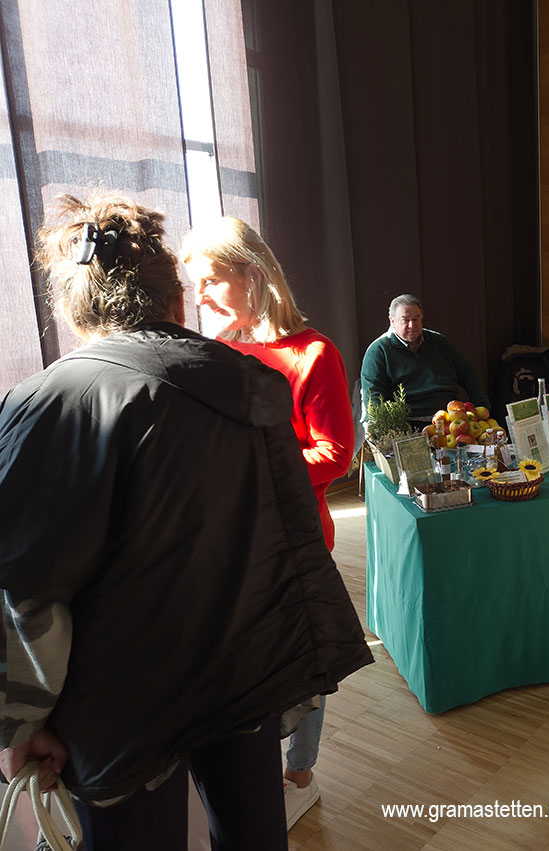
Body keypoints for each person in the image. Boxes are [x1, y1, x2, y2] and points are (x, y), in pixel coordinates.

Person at [0, 192, 372, 848]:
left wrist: (21, 722)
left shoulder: (47, 404)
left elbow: (25, 587)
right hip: (246, 669)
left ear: (73, 309)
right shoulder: (249, 385)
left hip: (123, 706)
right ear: (175, 300)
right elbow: (288, 538)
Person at [181, 216, 355, 829]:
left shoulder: (313, 353)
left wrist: (251, 471)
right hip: (230, 540)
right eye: (195, 285)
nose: (200, 297)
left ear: (252, 275)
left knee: (305, 661)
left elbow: (336, 453)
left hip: (294, 537)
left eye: (210, 281)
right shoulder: (215, 353)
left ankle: (300, 772)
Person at [361, 294, 490, 423]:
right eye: (405, 320)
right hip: (408, 425)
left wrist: (482, 407)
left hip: (450, 420)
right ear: (392, 321)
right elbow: (373, 398)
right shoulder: (378, 351)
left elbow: (468, 373)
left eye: (416, 319)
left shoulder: (439, 342)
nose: (412, 325)